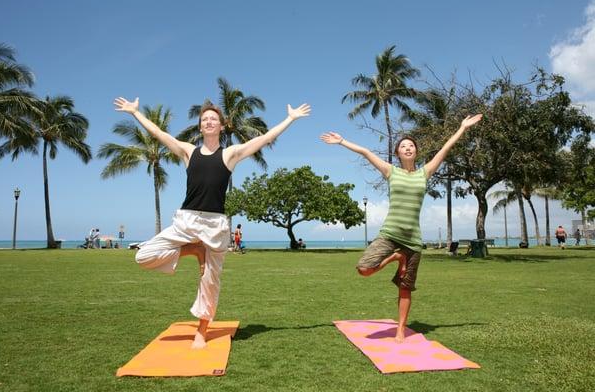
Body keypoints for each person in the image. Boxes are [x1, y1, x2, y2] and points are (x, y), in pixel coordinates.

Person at [114, 96, 310, 349]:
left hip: (216, 225)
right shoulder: (188, 151)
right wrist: (134, 113)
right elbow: (159, 134)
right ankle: (194, 250)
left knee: (210, 281)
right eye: (204, 119)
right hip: (187, 220)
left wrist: (290, 119)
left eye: (213, 119)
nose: (208, 122)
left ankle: (201, 331)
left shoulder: (229, 154)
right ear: (200, 126)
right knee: (144, 256)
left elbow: (264, 139)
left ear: (221, 126)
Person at [321, 113, 482, 343]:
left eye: (411, 146)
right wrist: (342, 141)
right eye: (403, 146)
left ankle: (400, 331)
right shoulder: (390, 172)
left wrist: (462, 128)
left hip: (413, 241)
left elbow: (444, 149)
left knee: (405, 288)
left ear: (416, 151)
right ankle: (397, 257)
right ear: (397, 153)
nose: (408, 148)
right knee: (364, 269)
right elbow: (366, 152)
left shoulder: (424, 173)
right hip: (390, 235)